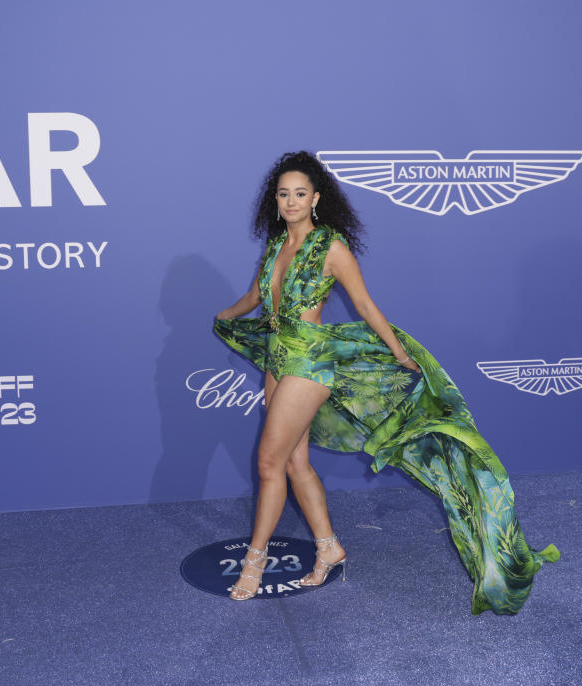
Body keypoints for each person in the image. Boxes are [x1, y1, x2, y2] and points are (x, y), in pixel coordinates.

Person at [214, 151, 558, 615]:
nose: (291, 201)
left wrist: (399, 351)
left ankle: (254, 563)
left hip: (310, 363)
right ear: (274, 201)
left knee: (268, 463)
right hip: (278, 359)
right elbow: (257, 296)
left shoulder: (330, 246)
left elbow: (366, 305)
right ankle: (328, 547)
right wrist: (225, 317)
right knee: (295, 465)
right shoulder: (277, 245)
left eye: (300, 193)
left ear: (316, 199)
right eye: (283, 194)